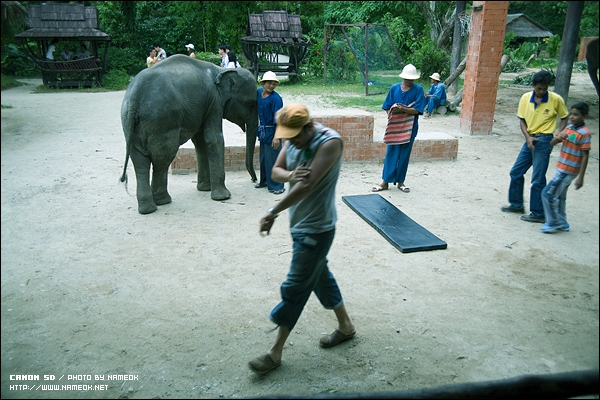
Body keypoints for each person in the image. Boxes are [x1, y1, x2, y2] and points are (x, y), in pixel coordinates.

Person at [249, 104, 356, 375]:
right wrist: (290, 174)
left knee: (296, 287)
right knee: (320, 277)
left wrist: (273, 211)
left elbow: (306, 186)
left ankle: (275, 353)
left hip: (317, 229)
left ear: (308, 126)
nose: (290, 141)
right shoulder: (293, 137)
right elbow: (276, 172)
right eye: (287, 137)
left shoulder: (330, 143)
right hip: (298, 224)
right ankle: (346, 327)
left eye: (294, 136)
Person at [501, 70, 569, 223]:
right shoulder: (525, 98)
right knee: (516, 172)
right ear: (533, 86)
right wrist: (528, 138)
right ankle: (516, 204)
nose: (542, 91)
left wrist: (559, 133)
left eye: (545, 88)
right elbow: (522, 121)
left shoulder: (555, 99)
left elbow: (564, 117)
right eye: (539, 88)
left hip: (544, 140)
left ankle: (538, 213)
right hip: (530, 138)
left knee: (538, 178)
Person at [371, 63, 425, 193]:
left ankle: (400, 182)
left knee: (404, 154)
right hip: (395, 127)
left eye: (411, 79)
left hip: (410, 127)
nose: (409, 81)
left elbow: (417, 109)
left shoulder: (419, 90)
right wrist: (392, 116)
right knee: (391, 152)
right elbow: (387, 106)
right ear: (403, 77)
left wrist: (403, 109)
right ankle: (385, 182)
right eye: (407, 78)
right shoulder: (394, 88)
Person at [540, 102, 591, 233]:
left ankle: (553, 222)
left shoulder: (584, 134)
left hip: (568, 170)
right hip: (561, 167)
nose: (572, 117)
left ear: (584, 116)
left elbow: (585, 156)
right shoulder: (568, 128)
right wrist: (558, 138)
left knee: (548, 194)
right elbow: (552, 143)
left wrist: (581, 177)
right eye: (571, 114)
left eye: (576, 115)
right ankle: (562, 221)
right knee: (560, 196)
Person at [255, 71, 285, 194]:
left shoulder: (276, 99)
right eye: (269, 83)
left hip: (273, 131)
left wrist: (277, 137)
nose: (271, 86)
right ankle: (265, 180)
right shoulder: (258, 93)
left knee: (274, 159)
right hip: (263, 131)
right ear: (263, 83)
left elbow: (279, 120)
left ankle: (278, 186)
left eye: (273, 84)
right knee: (264, 159)